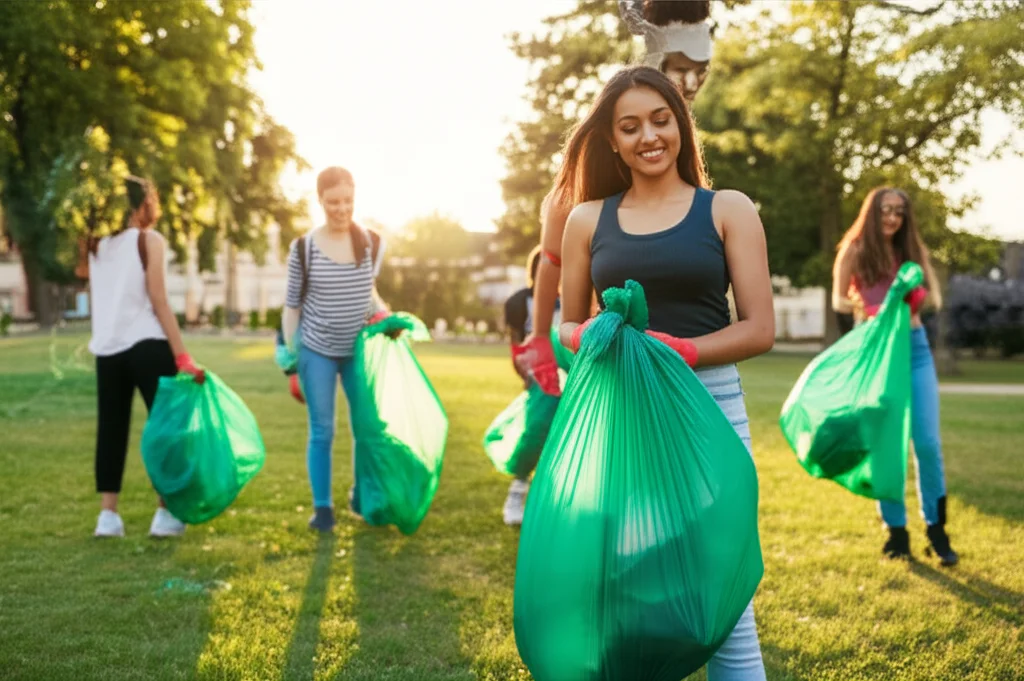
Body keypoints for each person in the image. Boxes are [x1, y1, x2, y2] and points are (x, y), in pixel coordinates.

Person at [558, 66, 774, 681]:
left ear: (681, 123)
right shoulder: (586, 220)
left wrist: (682, 351)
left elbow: (759, 328)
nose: (649, 136)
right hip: (625, 417)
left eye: (660, 120)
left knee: (722, 600)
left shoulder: (727, 209)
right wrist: (592, 334)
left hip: (711, 413)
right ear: (612, 140)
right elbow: (566, 325)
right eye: (630, 127)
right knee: (627, 589)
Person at [516, 0, 718, 397]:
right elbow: (552, 255)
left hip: (693, 371)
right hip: (613, 361)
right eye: (682, 69)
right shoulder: (607, 163)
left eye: (702, 70)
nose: (693, 83)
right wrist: (540, 337)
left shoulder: (683, 163)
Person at [832, 187, 959, 566]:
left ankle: (937, 530)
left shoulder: (911, 251)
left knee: (928, 444)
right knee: (887, 445)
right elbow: (839, 301)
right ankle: (896, 533)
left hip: (915, 349)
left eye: (899, 212)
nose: (892, 218)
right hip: (878, 355)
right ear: (872, 213)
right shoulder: (854, 250)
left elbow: (931, 299)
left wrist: (910, 303)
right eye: (885, 210)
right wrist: (869, 315)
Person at [80, 175, 205, 539]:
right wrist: (182, 356)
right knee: (165, 429)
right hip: (148, 344)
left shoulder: (95, 246)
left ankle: (108, 517)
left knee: (111, 429)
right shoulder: (149, 241)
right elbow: (159, 300)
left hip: (108, 349)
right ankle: (165, 514)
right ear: (141, 205)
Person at [282, 166, 391, 533]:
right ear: (320, 201)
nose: (341, 209)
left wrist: (384, 315)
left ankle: (362, 496)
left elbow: (369, 293)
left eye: (347, 201)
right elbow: (291, 307)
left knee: (367, 427)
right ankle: (323, 509)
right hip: (317, 350)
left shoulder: (372, 242)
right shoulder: (303, 249)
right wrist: (291, 362)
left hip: (357, 349)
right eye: (333, 202)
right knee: (322, 430)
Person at [500, 246, 561, 525]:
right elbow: (516, 346)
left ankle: (551, 500)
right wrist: (525, 376)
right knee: (533, 435)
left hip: (569, 378)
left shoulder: (569, 300)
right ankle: (517, 493)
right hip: (539, 381)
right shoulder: (520, 302)